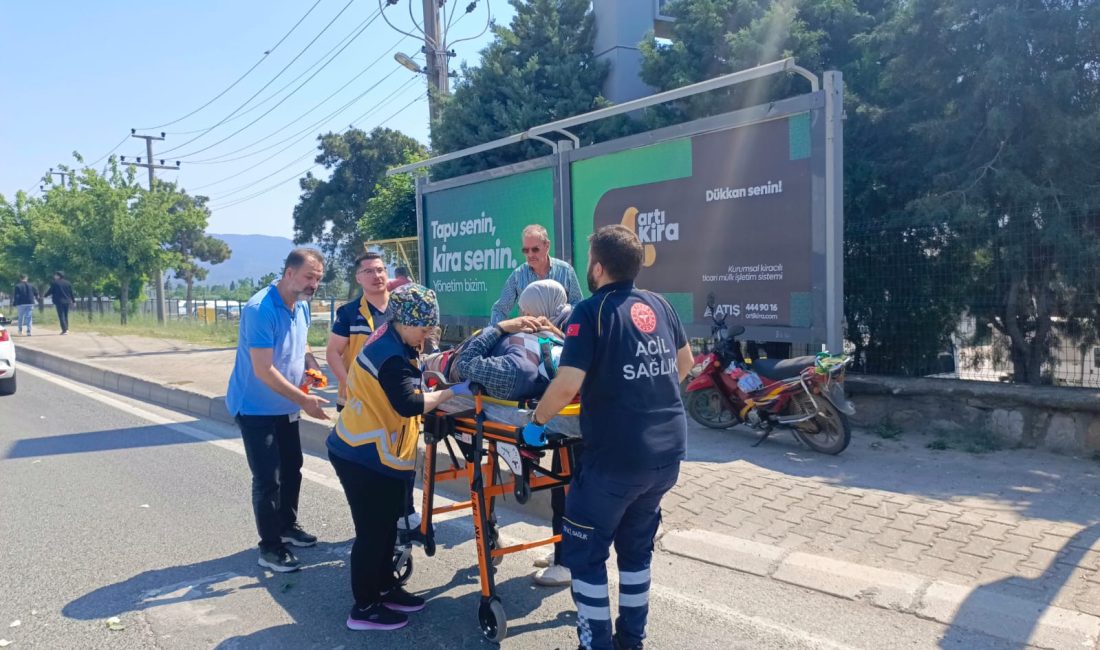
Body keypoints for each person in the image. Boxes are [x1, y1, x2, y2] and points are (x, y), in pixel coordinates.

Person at [524, 225, 695, 650]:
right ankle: (631, 641)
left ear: (597, 267)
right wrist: (646, 393)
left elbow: (566, 384)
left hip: (614, 459)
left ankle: (595, 643)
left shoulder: (590, 311)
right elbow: (686, 362)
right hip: (667, 455)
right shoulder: (659, 305)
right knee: (636, 553)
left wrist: (535, 424)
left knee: (585, 554)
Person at [328, 283, 471, 632]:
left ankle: (386, 587)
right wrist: (452, 392)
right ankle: (364, 607)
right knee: (372, 533)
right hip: (361, 453)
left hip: (382, 452)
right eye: (423, 328)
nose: (427, 335)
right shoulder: (390, 356)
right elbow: (409, 404)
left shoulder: (395, 336)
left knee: (386, 528)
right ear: (404, 321)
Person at [225, 247, 330, 574]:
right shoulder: (260, 309)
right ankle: (269, 548)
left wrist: (310, 366)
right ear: (289, 274)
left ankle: (287, 526)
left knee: (292, 466)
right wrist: (304, 401)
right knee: (268, 476)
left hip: (285, 404)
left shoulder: (300, 306)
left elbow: (303, 344)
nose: (314, 284)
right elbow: (263, 370)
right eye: (309, 277)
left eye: (318, 279)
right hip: (255, 406)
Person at [327, 252, 391, 413]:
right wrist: (349, 384)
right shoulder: (349, 312)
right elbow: (333, 352)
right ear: (358, 278)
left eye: (380, 270)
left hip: (394, 396)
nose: (376, 276)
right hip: (357, 401)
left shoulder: (403, 309)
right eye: (368, 272)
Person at [489, 224, 583, 326]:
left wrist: (562, 316)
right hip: (529, 337)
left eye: (535, 249)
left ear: (547, 246)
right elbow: (500, 309)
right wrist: (498, 331)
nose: (530, 255)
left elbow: (578, 305)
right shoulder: (518, 275)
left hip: (559, 337)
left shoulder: (566, 271)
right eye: (525, 250)